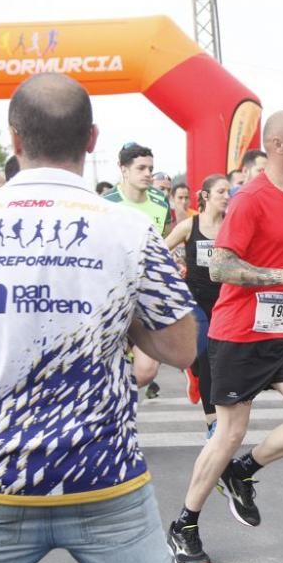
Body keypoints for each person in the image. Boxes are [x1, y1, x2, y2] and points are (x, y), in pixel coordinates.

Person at [0, 73, 195, 563]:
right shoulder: (130, 228)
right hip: (106, 480)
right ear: (91, 140)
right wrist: (117, 321)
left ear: (14, 139)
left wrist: (5, 334)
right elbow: (181, 349)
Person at [167, 111, 283, 563]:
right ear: (278, 145)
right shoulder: (249, 199)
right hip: (238, 333)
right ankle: (185, 524)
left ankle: (243, 471)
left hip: (282, 331)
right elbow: (220, 267)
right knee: (229, 433)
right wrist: (279, 277)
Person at [102, 142, 172, 399]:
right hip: (113, 295)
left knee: (146, 370)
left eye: (150, 168)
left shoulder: (160, 201)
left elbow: (162, 240)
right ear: (124, 170)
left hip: (148, 294)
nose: (147, 174)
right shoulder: (105, 204)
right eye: (141, 168)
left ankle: (110, 398)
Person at [165, 174, 230, 422]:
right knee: (207, 359)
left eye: (228, 192)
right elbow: (160, 251)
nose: (226, 197)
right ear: (205, 196)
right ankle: (212, 422)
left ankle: (194, 373)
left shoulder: (231, 225)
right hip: (196, 301)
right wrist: (175, 267)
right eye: (220, 192)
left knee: (219, 361)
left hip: (225, 301)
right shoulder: (189, 226)